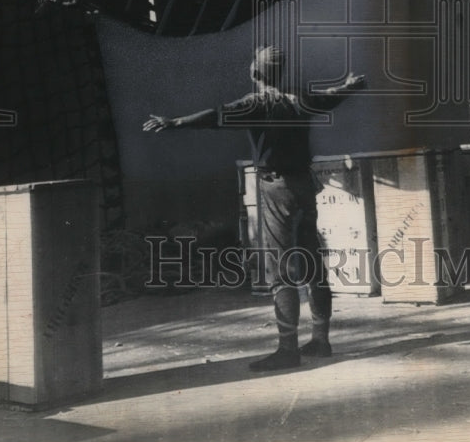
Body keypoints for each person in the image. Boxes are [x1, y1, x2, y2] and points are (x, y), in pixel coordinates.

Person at [143, 45, 366, 372]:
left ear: (255, 74)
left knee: (281, 269)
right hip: (304, 184)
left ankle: (287, 349)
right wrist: (351, 85)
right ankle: (321, 340)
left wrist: (174, 122)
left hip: (277, 189)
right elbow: (330, 96)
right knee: (312, 263)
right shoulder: (297, 97)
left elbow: (214, 116)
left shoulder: (256, 104)